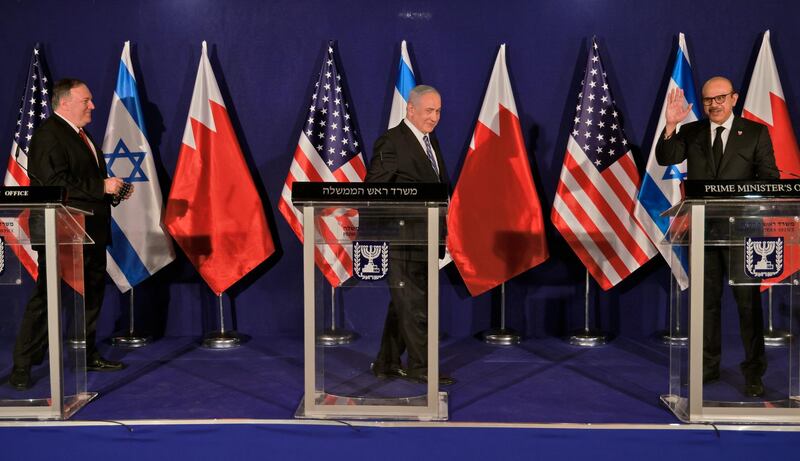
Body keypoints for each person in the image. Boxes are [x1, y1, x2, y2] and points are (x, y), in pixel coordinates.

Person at [656, 76, 778, 398]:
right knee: (707, 304)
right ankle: (708, 367)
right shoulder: (692, 131)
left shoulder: (755, 133)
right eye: (709, 100)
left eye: (721, 98)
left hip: (744, 232)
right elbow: (666, 157)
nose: (714, 104)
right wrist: (670, 125)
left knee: (748, 305)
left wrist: (742, 199)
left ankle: (754, 373)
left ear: (734, 98)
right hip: (703, 231)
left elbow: (770, 178)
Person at [9, 79, 133, 390]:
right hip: (60, 233)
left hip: (89, 231)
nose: (92, 105)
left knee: (90, 296)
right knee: (47, 299)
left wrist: (110, 192)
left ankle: (86, 353)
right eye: (86, 100)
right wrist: (100, 187)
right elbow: (53, 185)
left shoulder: (79, 135)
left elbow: (80, 180)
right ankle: (22, 366)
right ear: (64, 103)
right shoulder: (49, 135)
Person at [366, 85, 454, 385]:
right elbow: (375, 191)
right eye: (429, 110)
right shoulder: (391, 142)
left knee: (404, 303)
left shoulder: (430, 141)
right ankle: (421, 368)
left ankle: (387, 363)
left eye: (438, 110)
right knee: (415, 306)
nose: (435, 117)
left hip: (429, 234)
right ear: (410, 110)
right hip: (404, 237)